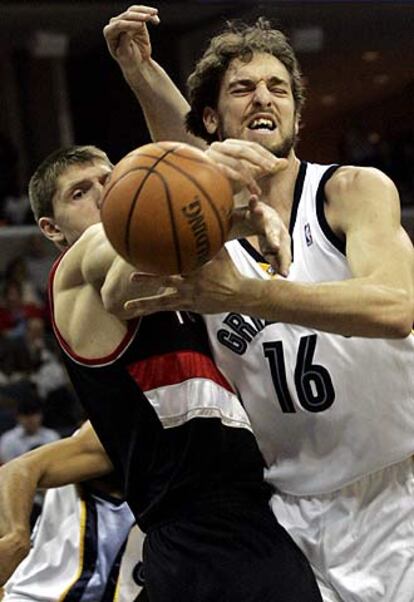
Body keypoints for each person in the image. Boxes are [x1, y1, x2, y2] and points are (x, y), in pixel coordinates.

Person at [103, 6, 414, 601]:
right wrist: (141, 72)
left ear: (297, 113)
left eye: (278, 88)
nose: (263, 98)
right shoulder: (201, 235)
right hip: (285, 510)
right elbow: (125, 283)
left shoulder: (349, 191)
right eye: (243, 89)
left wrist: (246, 295)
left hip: (394, 490)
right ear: (213, 120)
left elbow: (395, 307)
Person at [16, 143, 322, 601]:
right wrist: (216, 187)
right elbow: (118, 275)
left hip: (255, 519)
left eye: (109, 179)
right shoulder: (74, 272)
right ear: (51, 229)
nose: (103, 195)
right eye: (81, 192)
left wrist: (253, 216)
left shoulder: (181, 280)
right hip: (196, 533)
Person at [0, 421, 146, 601]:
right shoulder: (112, 431)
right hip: (39, 594)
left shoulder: (180, 456)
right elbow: (18, 470)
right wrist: (16, 535)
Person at [0, 398, 59, 465]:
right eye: (26, 416)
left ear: (41, 415)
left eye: (34, 415)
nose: (30, 420)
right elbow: (6, 467)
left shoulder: (52, 436)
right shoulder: (8, 440)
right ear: (18, 418)